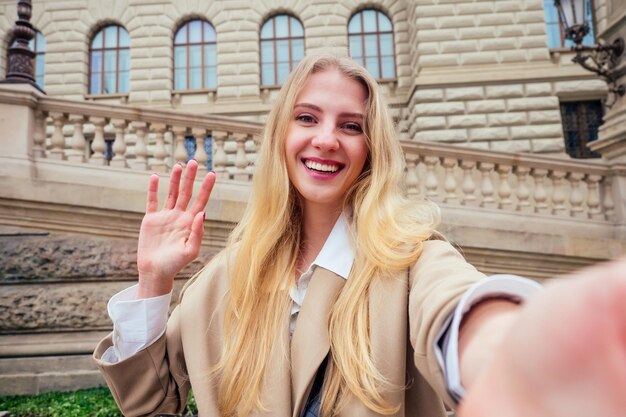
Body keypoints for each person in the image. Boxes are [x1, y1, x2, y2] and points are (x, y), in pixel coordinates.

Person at [93, 53, 626, 417]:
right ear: (282, 133)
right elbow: (151, 406)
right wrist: (153, 281)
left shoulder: (412, 259)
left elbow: (458, 308)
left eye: (351, 125)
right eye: (307, 118)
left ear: (372, 148)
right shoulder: (226, 276)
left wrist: (510, 351)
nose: (326, 140)